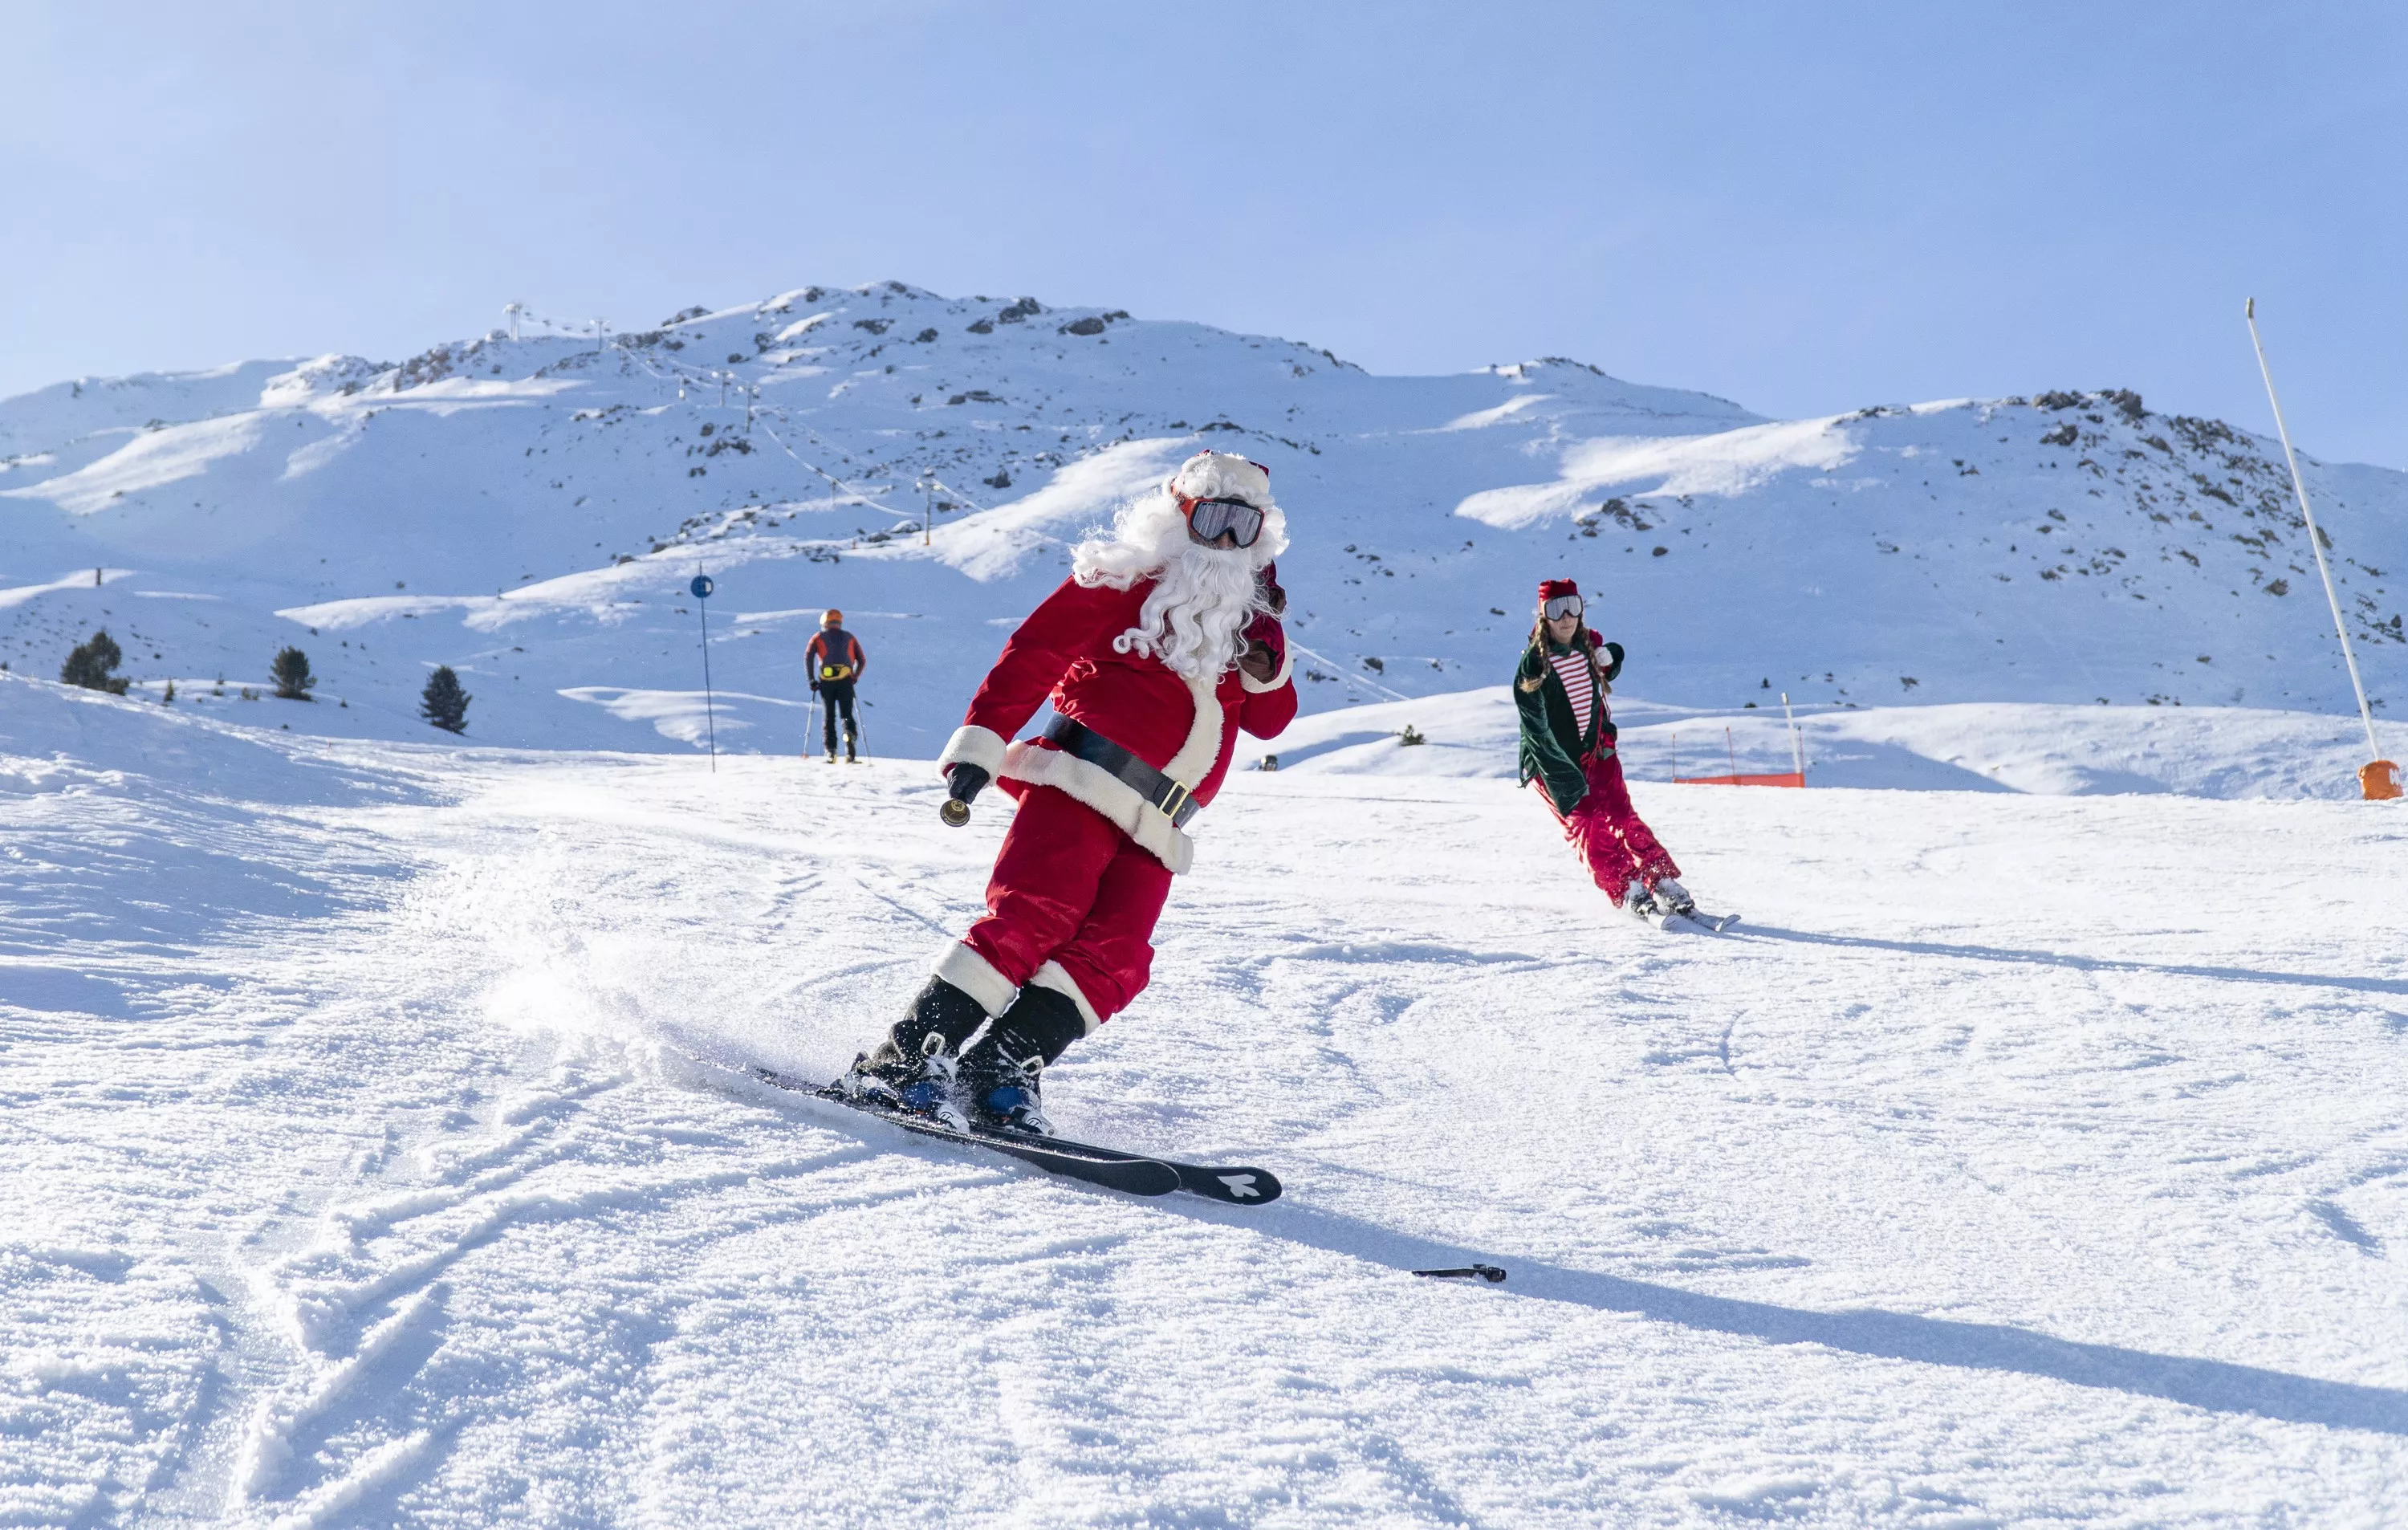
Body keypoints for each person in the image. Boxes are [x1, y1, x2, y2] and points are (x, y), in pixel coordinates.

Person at [838, 450, 1299, 1133]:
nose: (1226, 541)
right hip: (1082, 781)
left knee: (1116, 954)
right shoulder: (1122, 579)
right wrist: (983, 744)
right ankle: (904, 1060)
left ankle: (999, 1071)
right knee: (1035, 915)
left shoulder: (1245, 623)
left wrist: (1268, 665)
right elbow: (1034, 653)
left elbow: (1270, 721)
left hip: (1160, 825)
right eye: (1213, 520)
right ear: (1179, 518)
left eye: (1243, 525)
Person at [1515, 577, 1693, 918]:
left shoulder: (1586, 646)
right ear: (1543, 617)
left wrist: (1610, 655)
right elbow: (1535, 730)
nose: (1566, 617)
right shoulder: (1535, 665)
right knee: (1590, 825)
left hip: (1597, 752)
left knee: (1624, 817)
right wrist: (1562, 775)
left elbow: (1609, 663)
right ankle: (1628, 887)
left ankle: (1660, 879)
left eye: (1573, 607)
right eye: (1556, 609)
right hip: (1555, 764)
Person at [806, 610, 866, 763]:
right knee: (847, 714)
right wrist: (854, 677)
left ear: (824, 622)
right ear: (840, 622)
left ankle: (831, 752)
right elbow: (862, 660)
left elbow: (808, 657)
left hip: (826, 682)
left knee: (829, 716)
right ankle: (850, 744)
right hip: (846, 680)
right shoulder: (849, 637)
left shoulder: (818, 637)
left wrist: (812, 680)